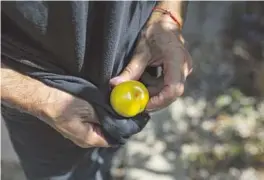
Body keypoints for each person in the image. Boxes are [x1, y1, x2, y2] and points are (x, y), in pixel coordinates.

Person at [1, 1, 192, 180]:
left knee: (107, 154)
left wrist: (167, 17)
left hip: (138, 53)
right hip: (41, 87)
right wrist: (43, 99)